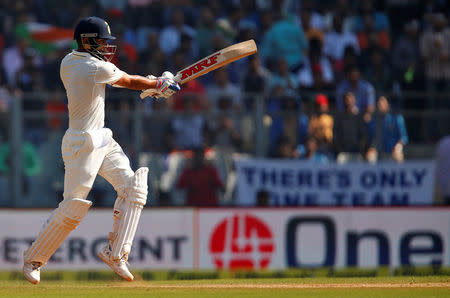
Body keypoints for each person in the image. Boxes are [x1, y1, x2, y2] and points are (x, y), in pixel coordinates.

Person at [22, 16, 180, 284]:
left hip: (102, 138)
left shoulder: (70, 61)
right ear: (87, 41)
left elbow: (127, 81)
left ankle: (116, 253)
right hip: (81, 144)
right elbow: (129, 81)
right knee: (73, 209)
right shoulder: (90, 67)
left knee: (134, 188)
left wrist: (155, 85)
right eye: (103, 42)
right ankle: (33, 260)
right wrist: (157, 84)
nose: (107, 47)